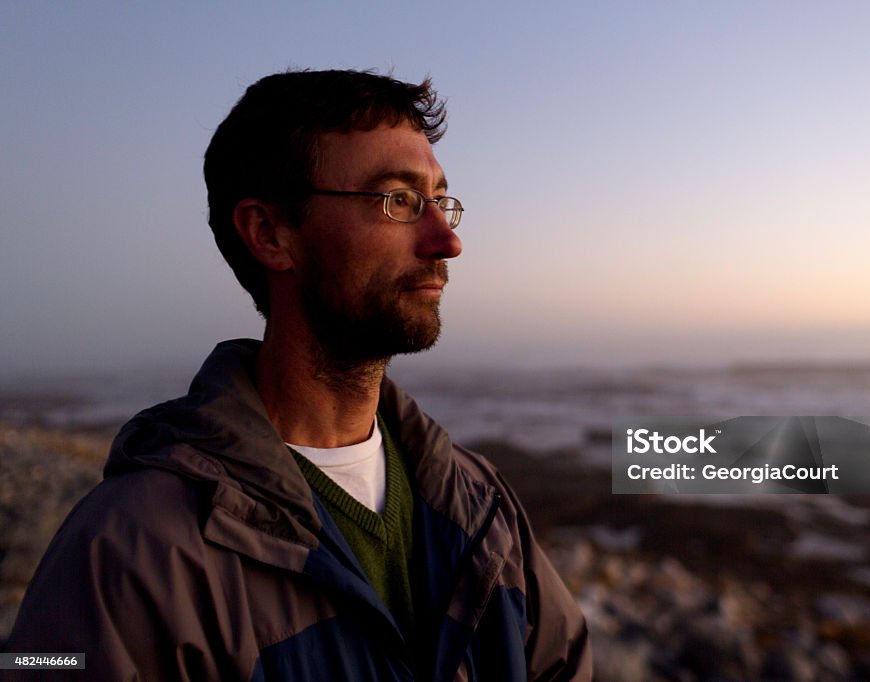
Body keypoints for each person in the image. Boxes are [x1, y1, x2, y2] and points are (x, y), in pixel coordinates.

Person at [7, 69, 591, 681]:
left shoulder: (479, 506)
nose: (447, 241)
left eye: (440, 202)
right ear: (271, 234)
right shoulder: (129, 550)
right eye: (397, 200)